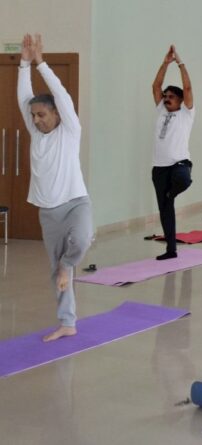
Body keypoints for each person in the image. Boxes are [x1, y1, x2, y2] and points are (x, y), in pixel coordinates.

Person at [17, 34, 93, 342]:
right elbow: (24, 97)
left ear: (57, 114)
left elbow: (60, 93)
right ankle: (67, 322)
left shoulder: (69, 130)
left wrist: (39, 62)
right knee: (56, 273)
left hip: (75, 202)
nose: (36, 120)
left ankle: (68, 264)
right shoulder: (37, 134)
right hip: (48, 213)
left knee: (84, 237)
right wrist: (22, 63)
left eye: (42, 115)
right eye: (33, 116)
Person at [151, 45, 194, 260]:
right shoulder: (161, 110)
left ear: (179, 101)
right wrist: (164, 63)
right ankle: (171, 250)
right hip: (159, 168)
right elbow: (156, 85)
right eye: (165, 96)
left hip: (180, 164)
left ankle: (172, 192)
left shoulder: (186, 113)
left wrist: (180, 62)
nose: (166, 98)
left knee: (183, 180)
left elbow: (187, 88)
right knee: (165, 210)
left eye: (171, 97)